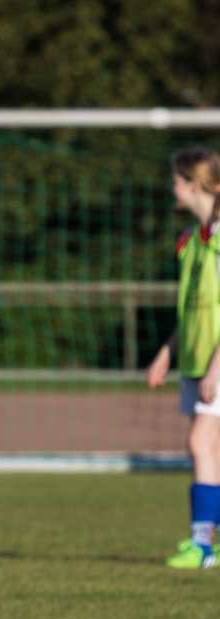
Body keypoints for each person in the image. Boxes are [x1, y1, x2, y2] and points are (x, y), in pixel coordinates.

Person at [149, 147, 220, 570]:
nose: (171, 188)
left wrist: (216, 368)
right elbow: (192, 309)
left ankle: (202, 545)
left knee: (199, 442)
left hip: (217, 362)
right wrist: (165, 353)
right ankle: (211, 542)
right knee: (210, 449)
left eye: (176, 181)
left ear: (194, 185)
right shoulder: (191, 241)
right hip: (196, 360)